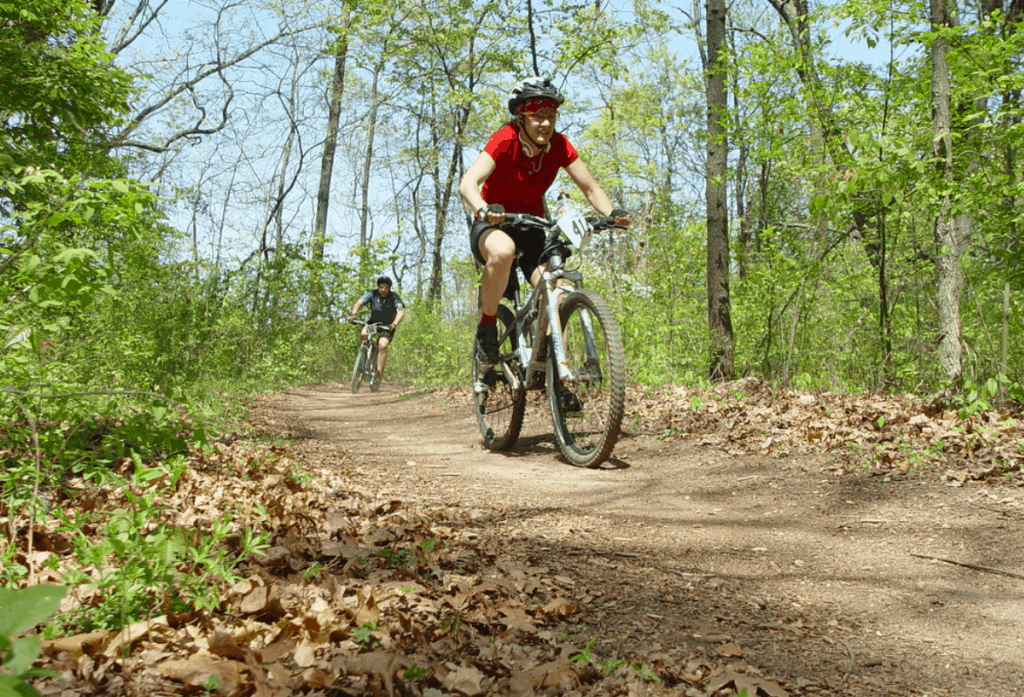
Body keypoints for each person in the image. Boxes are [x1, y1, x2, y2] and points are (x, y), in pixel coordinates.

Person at [459, 76, 631, 364]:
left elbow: (590, 188)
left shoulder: (560, 145)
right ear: (520, 116)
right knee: (503, 251)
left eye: (551, 116)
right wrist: (484, 208)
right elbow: (468, 184)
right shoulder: (505, 139)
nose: (546, 123)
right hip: (495, 222)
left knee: (557, 291)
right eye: (537, 115)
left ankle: (558, 377)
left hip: (533, 224)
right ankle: (487, 325)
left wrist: (611, 214)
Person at [349, 276, 406, 383]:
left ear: (389, 288)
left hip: (387, 326)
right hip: (374, 324)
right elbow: (359, 303)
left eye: (386, 287)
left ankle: (378, 372)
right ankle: (365, 354)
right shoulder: (372, 294)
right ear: (378, 287)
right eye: (381, 287)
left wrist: (394, 323)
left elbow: (401, 311)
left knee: (383, 345)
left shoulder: (394, 297)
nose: (383, 290)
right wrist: (353, 314)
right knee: (364, 334)